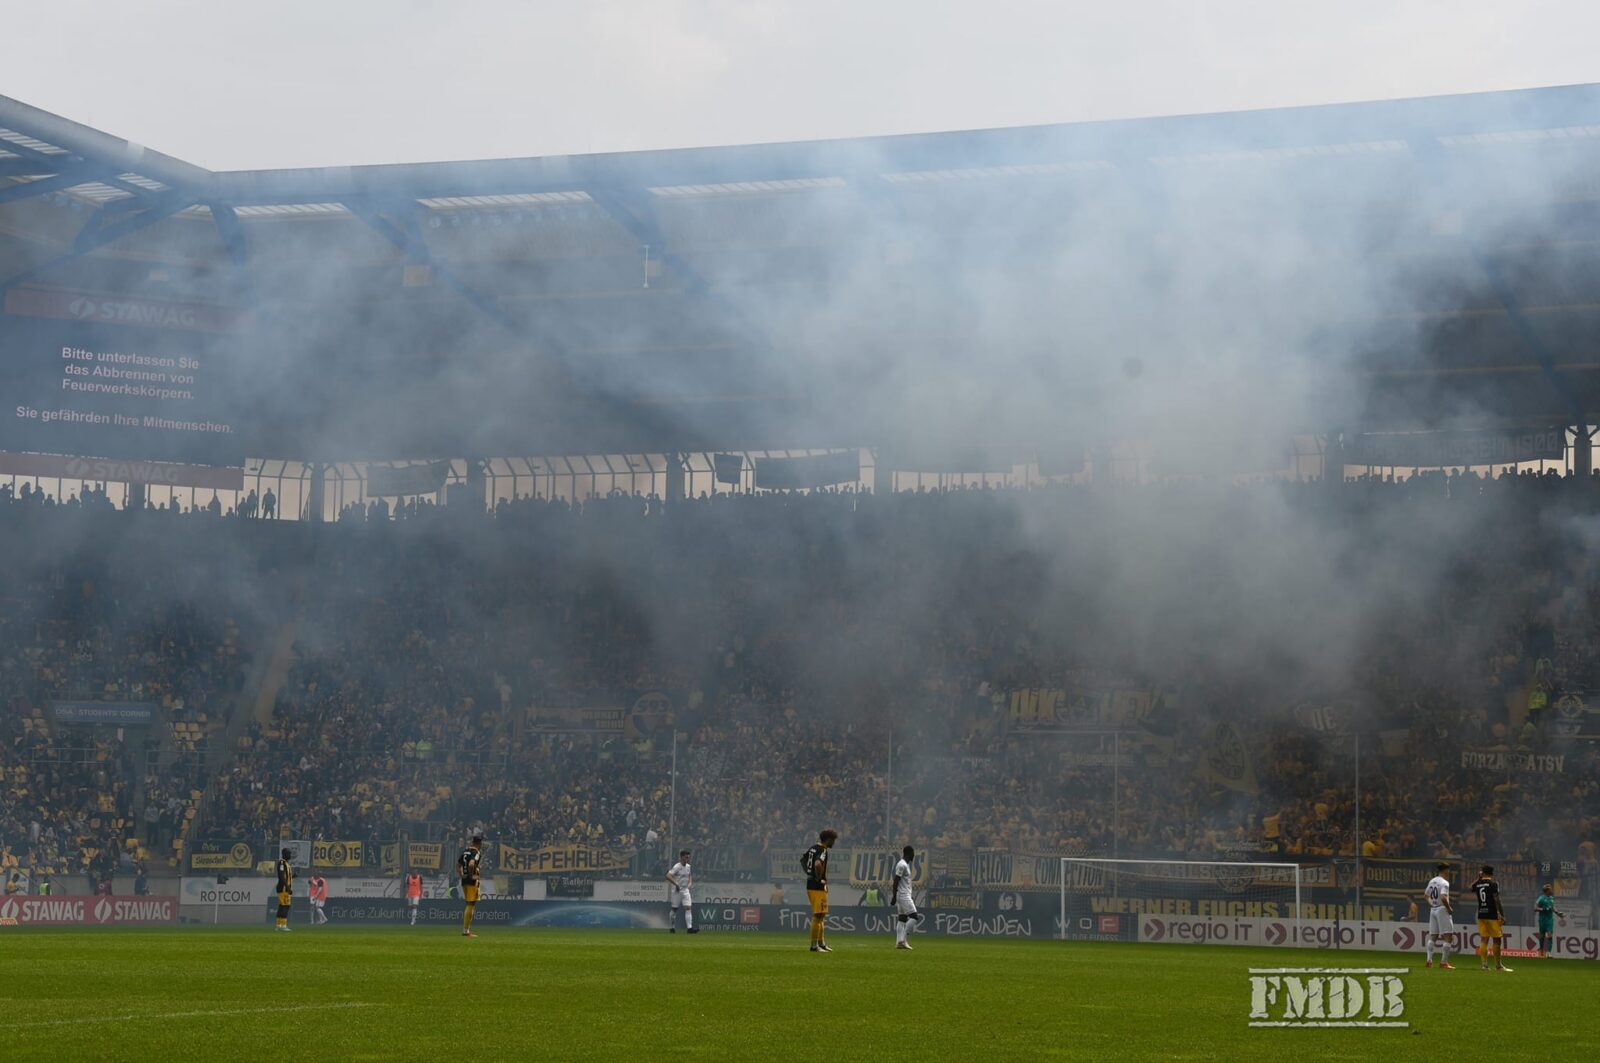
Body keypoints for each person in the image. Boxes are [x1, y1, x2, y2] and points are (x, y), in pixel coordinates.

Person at [801, 829, 837, 953]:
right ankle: (814, 946)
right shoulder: (822, 850)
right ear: (828, 840)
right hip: (817, 886)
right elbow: (817, 864)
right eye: (833, 841)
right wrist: (819, 878)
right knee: (817, 915)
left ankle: (821, 944)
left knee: (821, 915)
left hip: (811, 884)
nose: (834, 843)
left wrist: (808, 873)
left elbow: (803, 860)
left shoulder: (813, 848)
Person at [1472, 865, 1509, 971]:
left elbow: (1471, 888)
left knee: (1484, 940)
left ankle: (1484, 964)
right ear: (1492, 874)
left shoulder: (1478, 884)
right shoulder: (1493, 884)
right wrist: (1502, 914)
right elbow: (1497, 900)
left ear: (1482, 873)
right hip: (1491, 915)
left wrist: (1478, 879)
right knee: (1497, 940)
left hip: (1481, 915)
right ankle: (1498, 965)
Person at [891, 845, 925, 950]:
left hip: (903, 895)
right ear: (909, 853)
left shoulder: (904, 865)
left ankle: (898, 942)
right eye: (913, 853)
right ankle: (903, 940)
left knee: (902, 919)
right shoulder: (902, 865)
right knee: (914, 917)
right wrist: (894, 896)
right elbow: (896, 880)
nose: (914, 855)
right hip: (903, 895)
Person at [1422, 862, 1455, 969]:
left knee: (1433, 936)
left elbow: (1426, 896)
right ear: (1445, 870)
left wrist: (1432, 904)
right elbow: (1443, 897)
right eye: (1448, 870)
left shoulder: (1432, 881)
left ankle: (1429, 960)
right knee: (1448, 937)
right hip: (1442, 910)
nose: (1449, 872)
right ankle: (1443, 962)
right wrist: (1449, 908)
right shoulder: (1445, 883)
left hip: (1433, 910)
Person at [458, 835, 483, 938]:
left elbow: (458, 866)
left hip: (464, 880)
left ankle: (466, 929)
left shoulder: (465, 851)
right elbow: (472, 864)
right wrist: (472, 876)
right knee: (471, 904)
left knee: (469, 903)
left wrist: (462, 876)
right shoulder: (476, 852)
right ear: (479, 843)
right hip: (471, 881)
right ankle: (466, 931)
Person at [666, 849, 696, 934]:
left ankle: (689, 929)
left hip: (685, 890)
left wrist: (690, 883)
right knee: (674, 910)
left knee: (688, 908)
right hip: (677, 891)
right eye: (686, 857)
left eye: (688, 857)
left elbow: (689, 875)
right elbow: (668, 876)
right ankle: (672, 927)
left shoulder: (688, 866)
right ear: (682, 857)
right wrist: (676, 884)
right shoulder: (677, 866)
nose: (687, 859)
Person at [1534, 884, 1565, 958]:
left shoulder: (1551, 898)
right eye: (1550, 889)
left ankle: (1549, 953)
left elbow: (1552, 907)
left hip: (1549, 920)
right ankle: (1541, 951)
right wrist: (1543, 909)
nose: (1552, 890)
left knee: (1550, 935)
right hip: (1542, 920)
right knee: (1542, 936)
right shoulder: (1541, 898)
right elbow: (1535, 908)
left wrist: (1558, 913)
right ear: (1547, 891)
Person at [274, 847, 294, 932]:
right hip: (283, 888)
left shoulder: (286, 864)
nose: (290, 855)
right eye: (289, 853)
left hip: (284, 888)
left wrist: (293, 877)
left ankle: (279, 925)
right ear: (284, 854)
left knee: (283, 906)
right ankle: (283, 925)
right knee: (285, 906)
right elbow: (281, 876)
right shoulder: (282, 863)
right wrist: (288, 887)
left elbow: (286, 877)